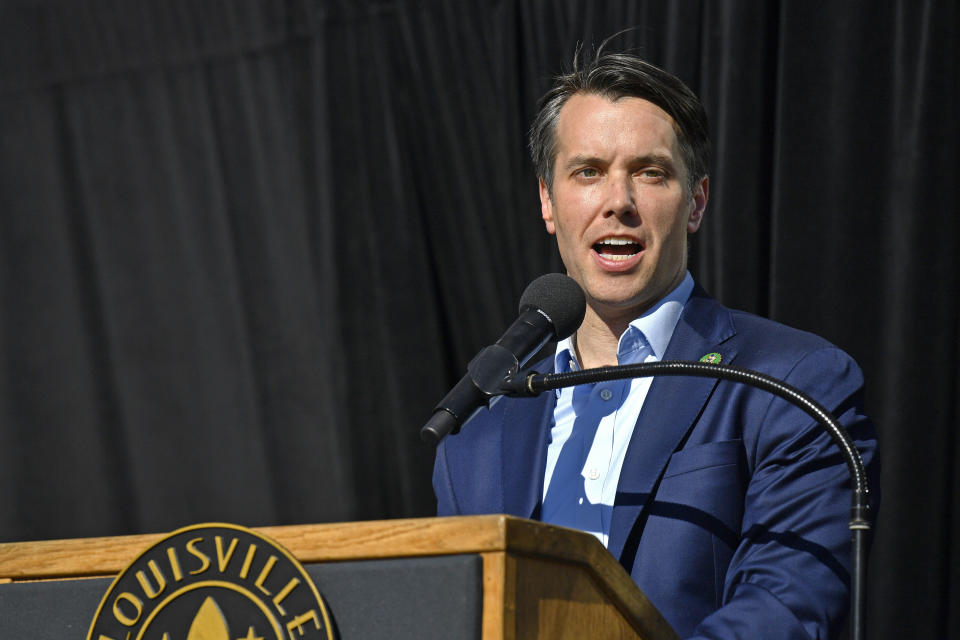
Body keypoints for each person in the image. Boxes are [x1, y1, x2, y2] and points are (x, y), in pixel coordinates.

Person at [432, 48, 879, 639]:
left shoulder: (793, 384)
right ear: (548, 200)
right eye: (588, 171)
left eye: (650, 172)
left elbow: (785, 609)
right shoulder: (476, 438)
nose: (618, 202)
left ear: (695, 202)